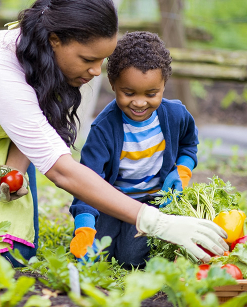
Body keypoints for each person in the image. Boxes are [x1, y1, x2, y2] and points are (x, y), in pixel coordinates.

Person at [0, 0, 228, 267]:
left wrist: (12, 174)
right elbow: (62, 170)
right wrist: (157, 222)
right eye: (88, 59)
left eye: (102, 61)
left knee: (11, 257)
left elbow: (33, 120)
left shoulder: (47, 60)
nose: (96, 72)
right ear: (55, 40)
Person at [68, 31, 205, 267]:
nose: (140, 103)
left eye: (151, 94)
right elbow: (86, 181)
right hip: (111, 202)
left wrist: (182, 170)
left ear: (163, 85)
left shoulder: (175, 115)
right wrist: (84, 228)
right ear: (113, 84)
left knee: (130, 258)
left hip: (151, 204)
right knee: (95, 253)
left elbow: (189, 144)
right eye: (128, 93)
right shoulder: (104, 128)